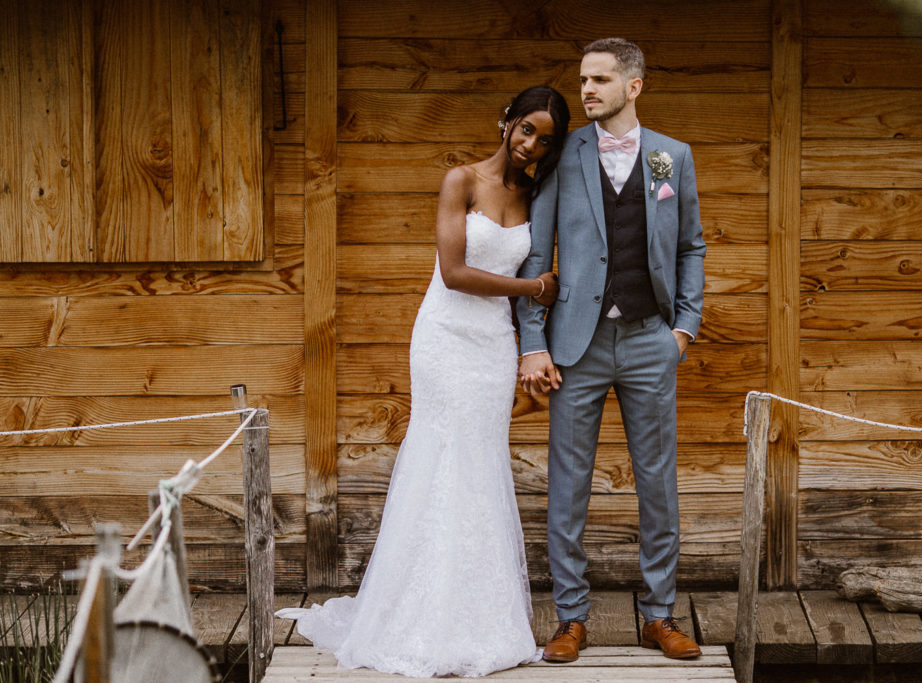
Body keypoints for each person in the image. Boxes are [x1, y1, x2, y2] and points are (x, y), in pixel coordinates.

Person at [276, 85, 571, 678]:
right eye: (526, 128)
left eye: (545, 138)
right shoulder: (460, 180)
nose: (531, 144)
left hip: (493, 344)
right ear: (506, 120)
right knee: (440, 456)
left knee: (482, 462)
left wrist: (533, 345)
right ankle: (415, 616)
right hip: (445, 336)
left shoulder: (535, 194)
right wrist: (535, 289)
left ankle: (480, 618)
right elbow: (457, 273)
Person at [516, 38, 706, 662]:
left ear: (634, 86)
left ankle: (659, 615)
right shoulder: (562, 155)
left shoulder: (670, 158)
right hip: (578, 345)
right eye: (583, 80)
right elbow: (538, 258)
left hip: (652, 340)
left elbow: (690, 248)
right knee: (568, 485)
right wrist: (534, 343)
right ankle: (571, 618)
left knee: (658, 483)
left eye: (599, 80)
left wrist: (683, 328)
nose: (587, 91)